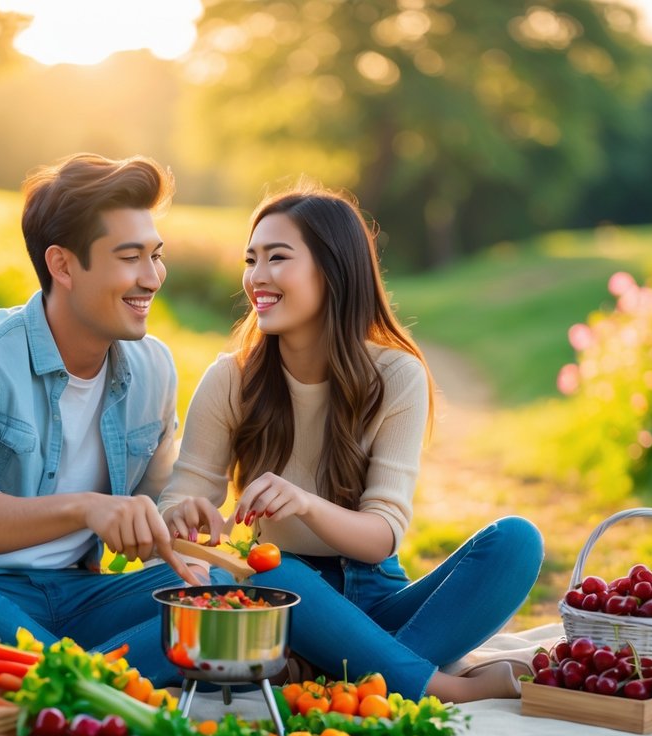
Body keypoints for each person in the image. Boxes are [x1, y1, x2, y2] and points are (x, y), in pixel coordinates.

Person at [158, 187, 544, 702]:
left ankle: (322, 672)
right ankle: (442, 686)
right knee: (280, 576)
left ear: (333, 269)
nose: (256, 277)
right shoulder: (231, 378)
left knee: (517, 542)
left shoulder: (395, 375)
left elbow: (383, 534)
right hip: (280, 594)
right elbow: (182, 497)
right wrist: (182, 514)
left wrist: (306, 504)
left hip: (375, 592)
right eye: (251, 259)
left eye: (278, 257)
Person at [0, 152, 203, 684]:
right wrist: (86, 509)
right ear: (62, 265)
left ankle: (64, 682)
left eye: (156, 255)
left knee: (227, 590)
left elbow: (151, 503)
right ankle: (111, 681)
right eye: (130, 257)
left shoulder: (154, 368)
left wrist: (172, 523)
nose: (152, 278)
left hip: (81, 598)